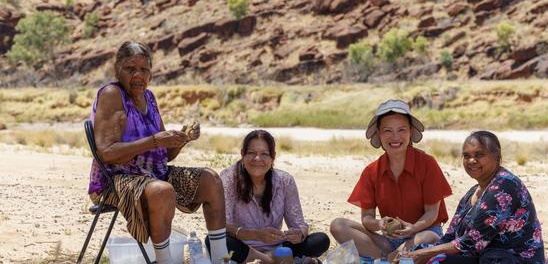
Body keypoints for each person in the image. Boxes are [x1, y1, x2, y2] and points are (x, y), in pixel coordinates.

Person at [88, 41, 228, 264]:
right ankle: (164, 260)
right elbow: (106, 153)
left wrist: (181, 140)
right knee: (162, 191)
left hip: (155, 176)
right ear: (117, 71)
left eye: (144, 69)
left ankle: (222, 258)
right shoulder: (112, 94)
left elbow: (165, 155)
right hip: (115, 181)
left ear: (151, 74)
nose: (138, 75)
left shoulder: (149, 97)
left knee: (210, 179)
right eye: (130, 69)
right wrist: (153, 141)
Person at [330, 99, 453, 262]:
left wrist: (413, 228)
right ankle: (390, 259)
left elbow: (432, 213)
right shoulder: (371, 171)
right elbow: (367, 218)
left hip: (422, 234)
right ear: (379, 134)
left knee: (428, 237)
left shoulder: (427, 163)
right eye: (388, 131)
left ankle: (385, 260)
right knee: (338, 225)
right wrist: (379, 224)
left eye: (401, 129)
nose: (395, 137)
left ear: (410, 132)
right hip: (388, 241)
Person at [404, 131, 544, 264]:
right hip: (482, 256)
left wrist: (426, 253)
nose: (472, 160)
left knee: (437, 260)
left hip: (510, 259)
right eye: (466, 156)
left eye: (479, 155)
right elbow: (451, 236)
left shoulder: (504, 188)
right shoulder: (473, 193)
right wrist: (420, 252)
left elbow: (470, 242)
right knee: (419, 252)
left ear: (497, 156)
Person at [207, 129, 330, 264]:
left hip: (277, 247)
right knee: (213, 240)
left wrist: (299, 234)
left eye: (264, 154)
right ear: (242, 154)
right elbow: (223, 225)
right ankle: (271, 260)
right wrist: (256, 234)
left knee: (320, 240)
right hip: (242, 247)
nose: (257, 159)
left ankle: (269, 258)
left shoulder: (285, 181)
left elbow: (298, 223)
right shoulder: (228, 178)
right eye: (252, 153)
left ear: (273, 157)